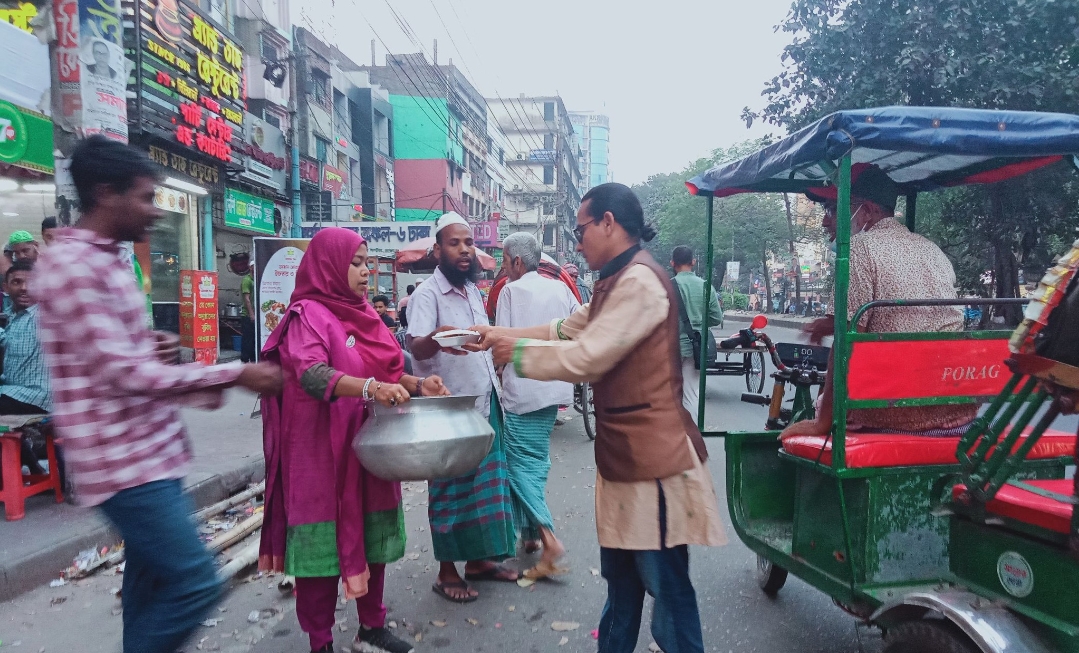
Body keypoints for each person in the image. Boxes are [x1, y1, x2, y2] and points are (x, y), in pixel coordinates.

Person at [32, 135, 283, 653]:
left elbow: (109, 353)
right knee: (195, 583)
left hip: (151, 453)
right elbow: (126, 376)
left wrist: (154, 343)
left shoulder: (111, 261)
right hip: (121, 462)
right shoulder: (74, 267)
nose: (153, 211)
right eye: (145, 198)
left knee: (151, 590)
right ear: (106, 193)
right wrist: (232, 376)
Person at [469, 183, 725, 653]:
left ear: (609, 222)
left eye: (581, 228)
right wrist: (493, 334)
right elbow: (564, 329)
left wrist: (516, 351)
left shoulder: (641, 283)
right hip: (626, 462)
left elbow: (590, 357)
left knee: (668, 593)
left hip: (655, 466)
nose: (577, 238)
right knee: (623, 590)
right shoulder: (615, 279)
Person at [259, 227, 446, 653]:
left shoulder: (364, 314)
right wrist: (369, 389)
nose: (365, 273)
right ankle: (320, 642)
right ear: (329, 266)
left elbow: (384, 371)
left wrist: (418, 384)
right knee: (321, 552)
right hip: (320, 454)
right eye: (356, 264)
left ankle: (371, 628)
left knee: (372, 534)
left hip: (369, 446)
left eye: (368, 264)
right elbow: (310, 372)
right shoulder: (306, 315)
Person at [781, 163, 978, 439]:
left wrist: (821, 422)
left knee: (820, 406)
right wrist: (825, 324)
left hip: (896, 410)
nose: (826, 221)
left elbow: (848, 342)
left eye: (834, 210)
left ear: (869, 210)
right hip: (956, 408)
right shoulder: (931, 249)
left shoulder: (860, 249)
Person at [406, 212, 518, 602]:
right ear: (437, 250)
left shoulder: (472, 290)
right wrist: (436, 338)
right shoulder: (427, 295)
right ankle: (446, 571)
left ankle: (478, 561)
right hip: (449, 409)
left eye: (468, 242)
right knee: (450, 491)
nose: (465, 249)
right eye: (454, 243)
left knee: (486, 488)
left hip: (485, 400)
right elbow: (415, 347)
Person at [495, 232, 579, 578]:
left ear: (517, 262)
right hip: (554, 389)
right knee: (535, 460)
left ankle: (547, 535)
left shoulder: (511, 291)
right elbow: (575, 328)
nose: (503, 269)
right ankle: (529, 536)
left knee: (518, 466)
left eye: (504, 261)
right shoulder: (560, 289)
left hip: (522, 391)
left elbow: (499, 341)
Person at [0, 260, 51, 475]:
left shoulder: (46, 315)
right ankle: (33, 466)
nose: (23, 287)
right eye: (16, 282)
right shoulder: (12, 317)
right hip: (14, 391)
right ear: (5, 287)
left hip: (36, 396)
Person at [671, 246, 722, 414]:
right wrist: (699, 323)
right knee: (691, 395)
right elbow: (716, 318)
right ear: (693, 262)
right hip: (697, 349)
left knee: (668, 395)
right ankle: (690, 437)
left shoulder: (667, 287)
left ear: (672, 263)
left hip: (670, 349)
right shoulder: (706, 287)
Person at [238, 256, 257, 363]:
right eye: (254, 266)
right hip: (247, 315)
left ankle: (253, 359)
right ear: (250, 267)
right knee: (247, 339)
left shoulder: (256, 279)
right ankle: (244, 360)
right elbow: (247, 299)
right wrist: (251, 314)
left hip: (256, 314)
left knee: (254, 339)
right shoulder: (247, 280)